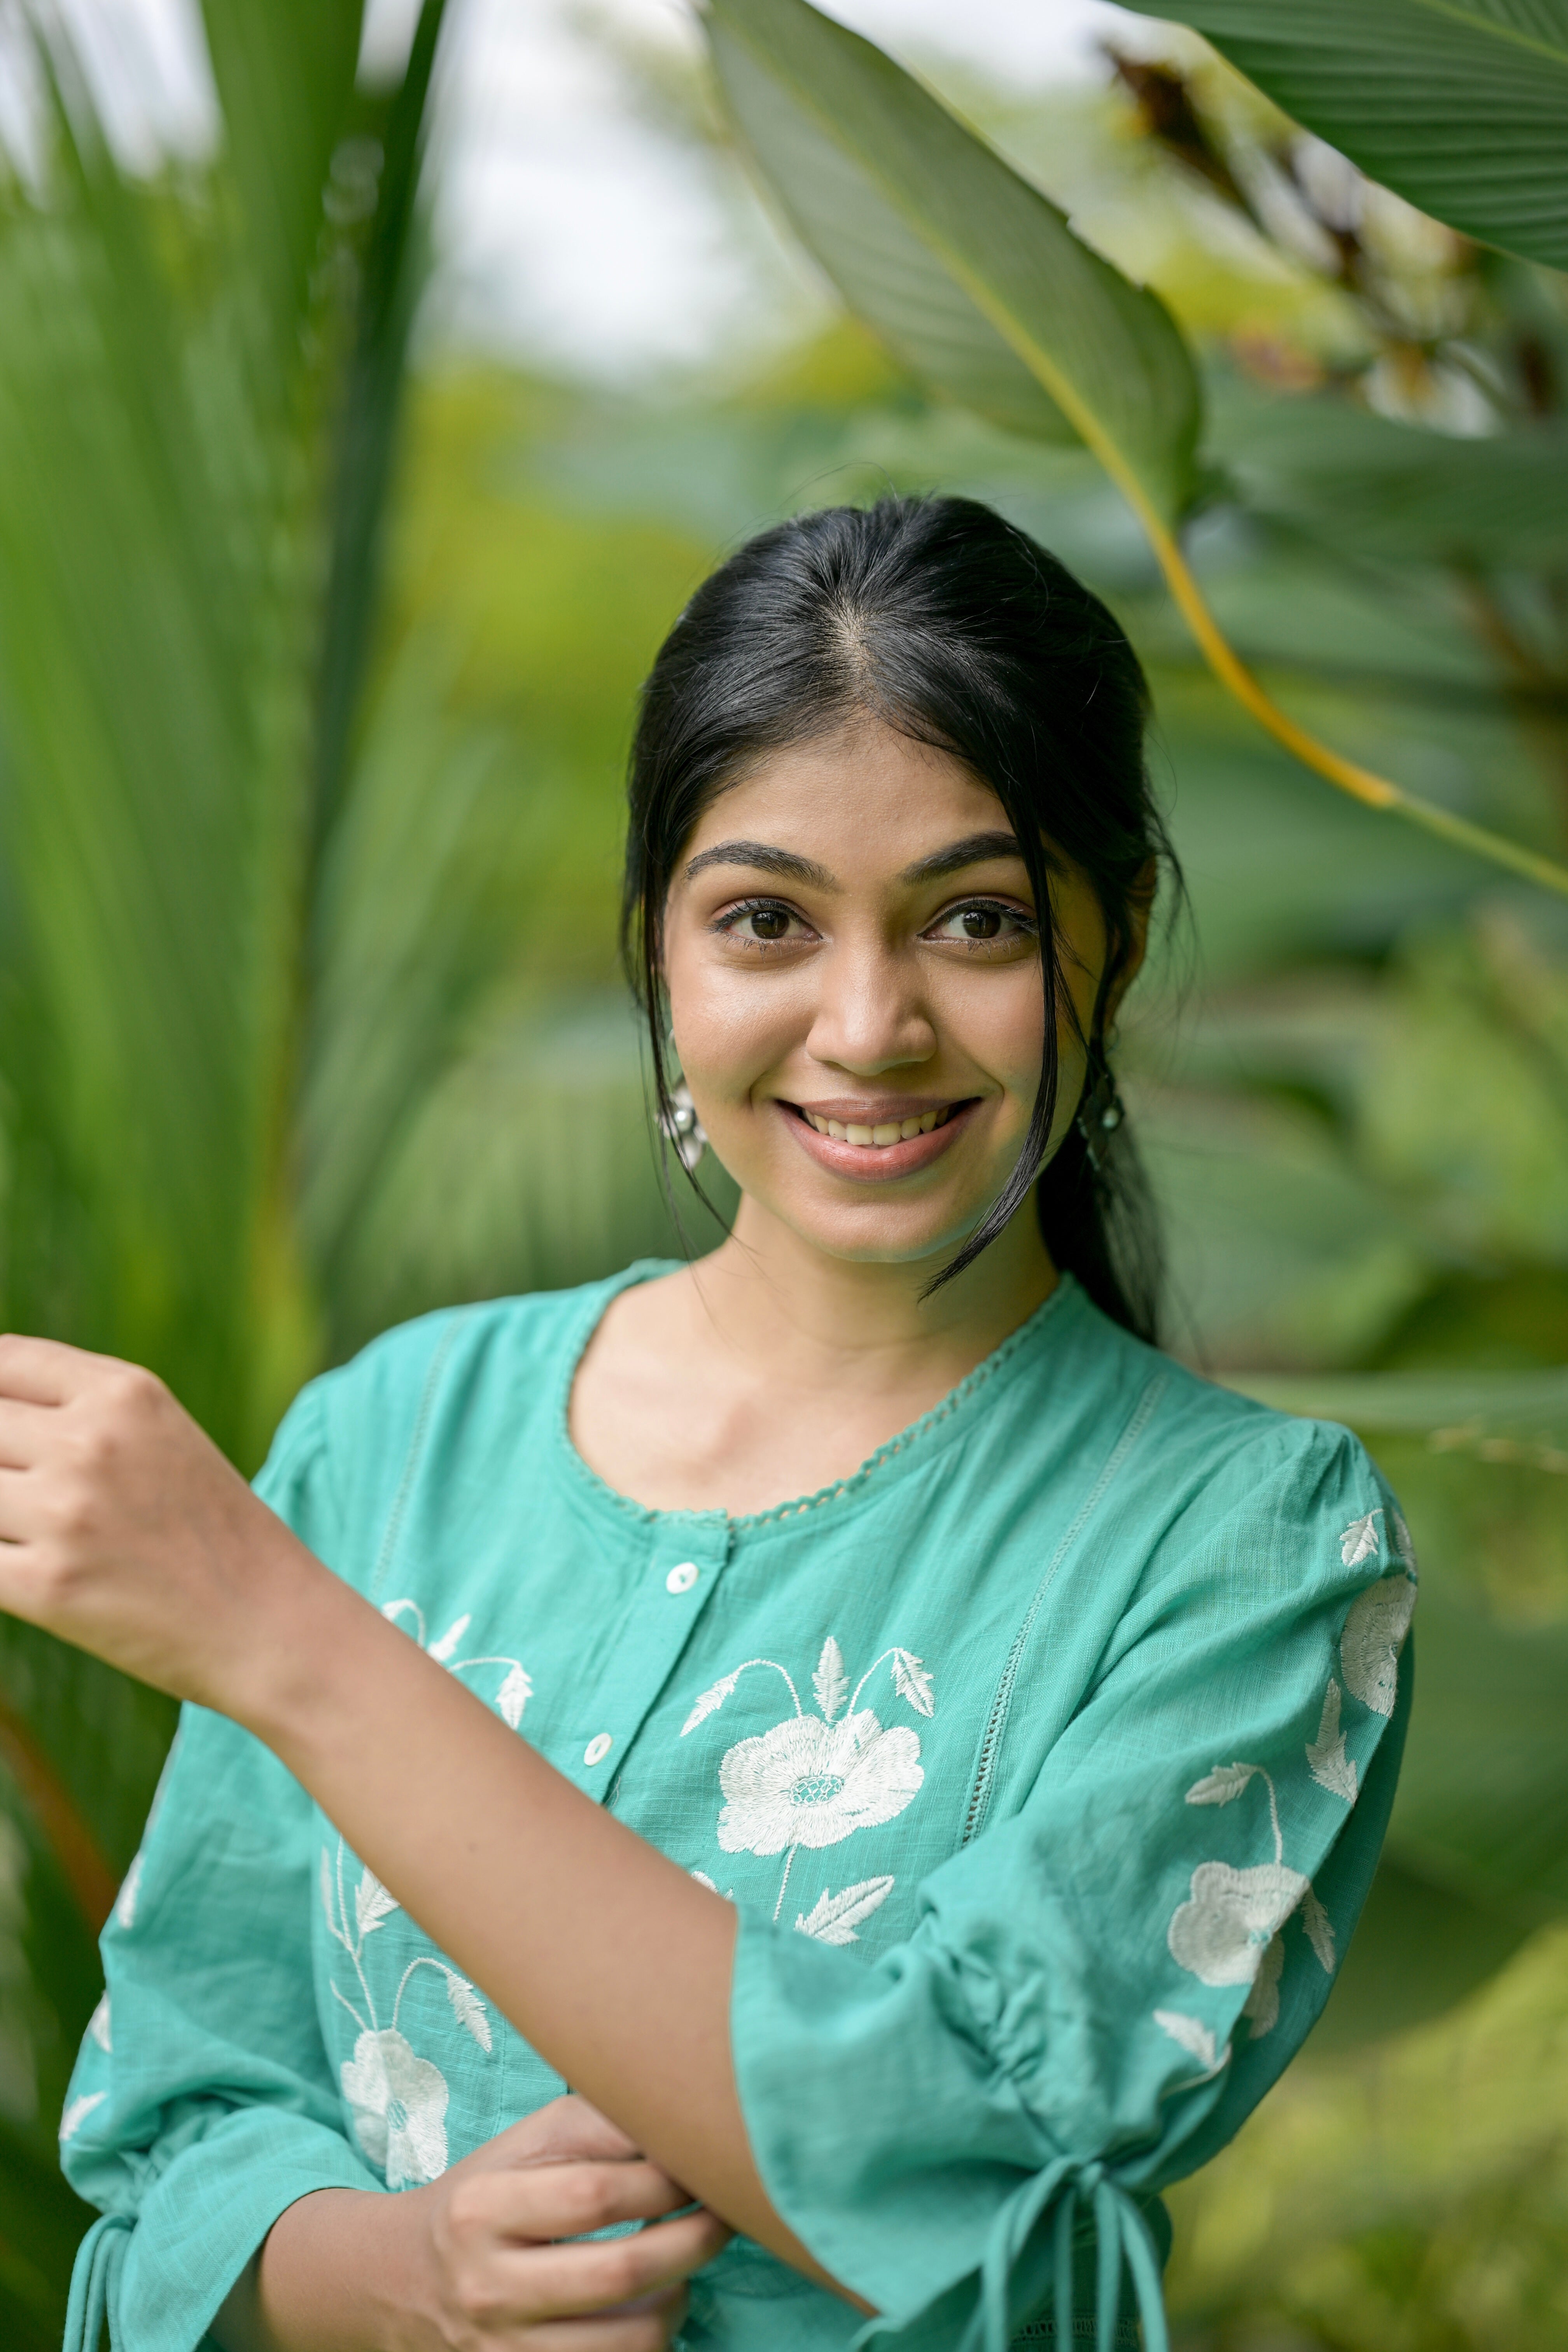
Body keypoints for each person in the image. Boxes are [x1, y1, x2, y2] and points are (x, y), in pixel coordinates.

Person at [5, 497, 1411, 2352]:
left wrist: (292, 1648)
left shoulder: (1253, 1550)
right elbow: (175, 2160)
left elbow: (963, 2160)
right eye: (766, 920)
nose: (867, 1023)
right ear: (661, 951)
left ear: (1115, 944)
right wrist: (411, 2276)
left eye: (974, 920)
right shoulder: (396, 1433)